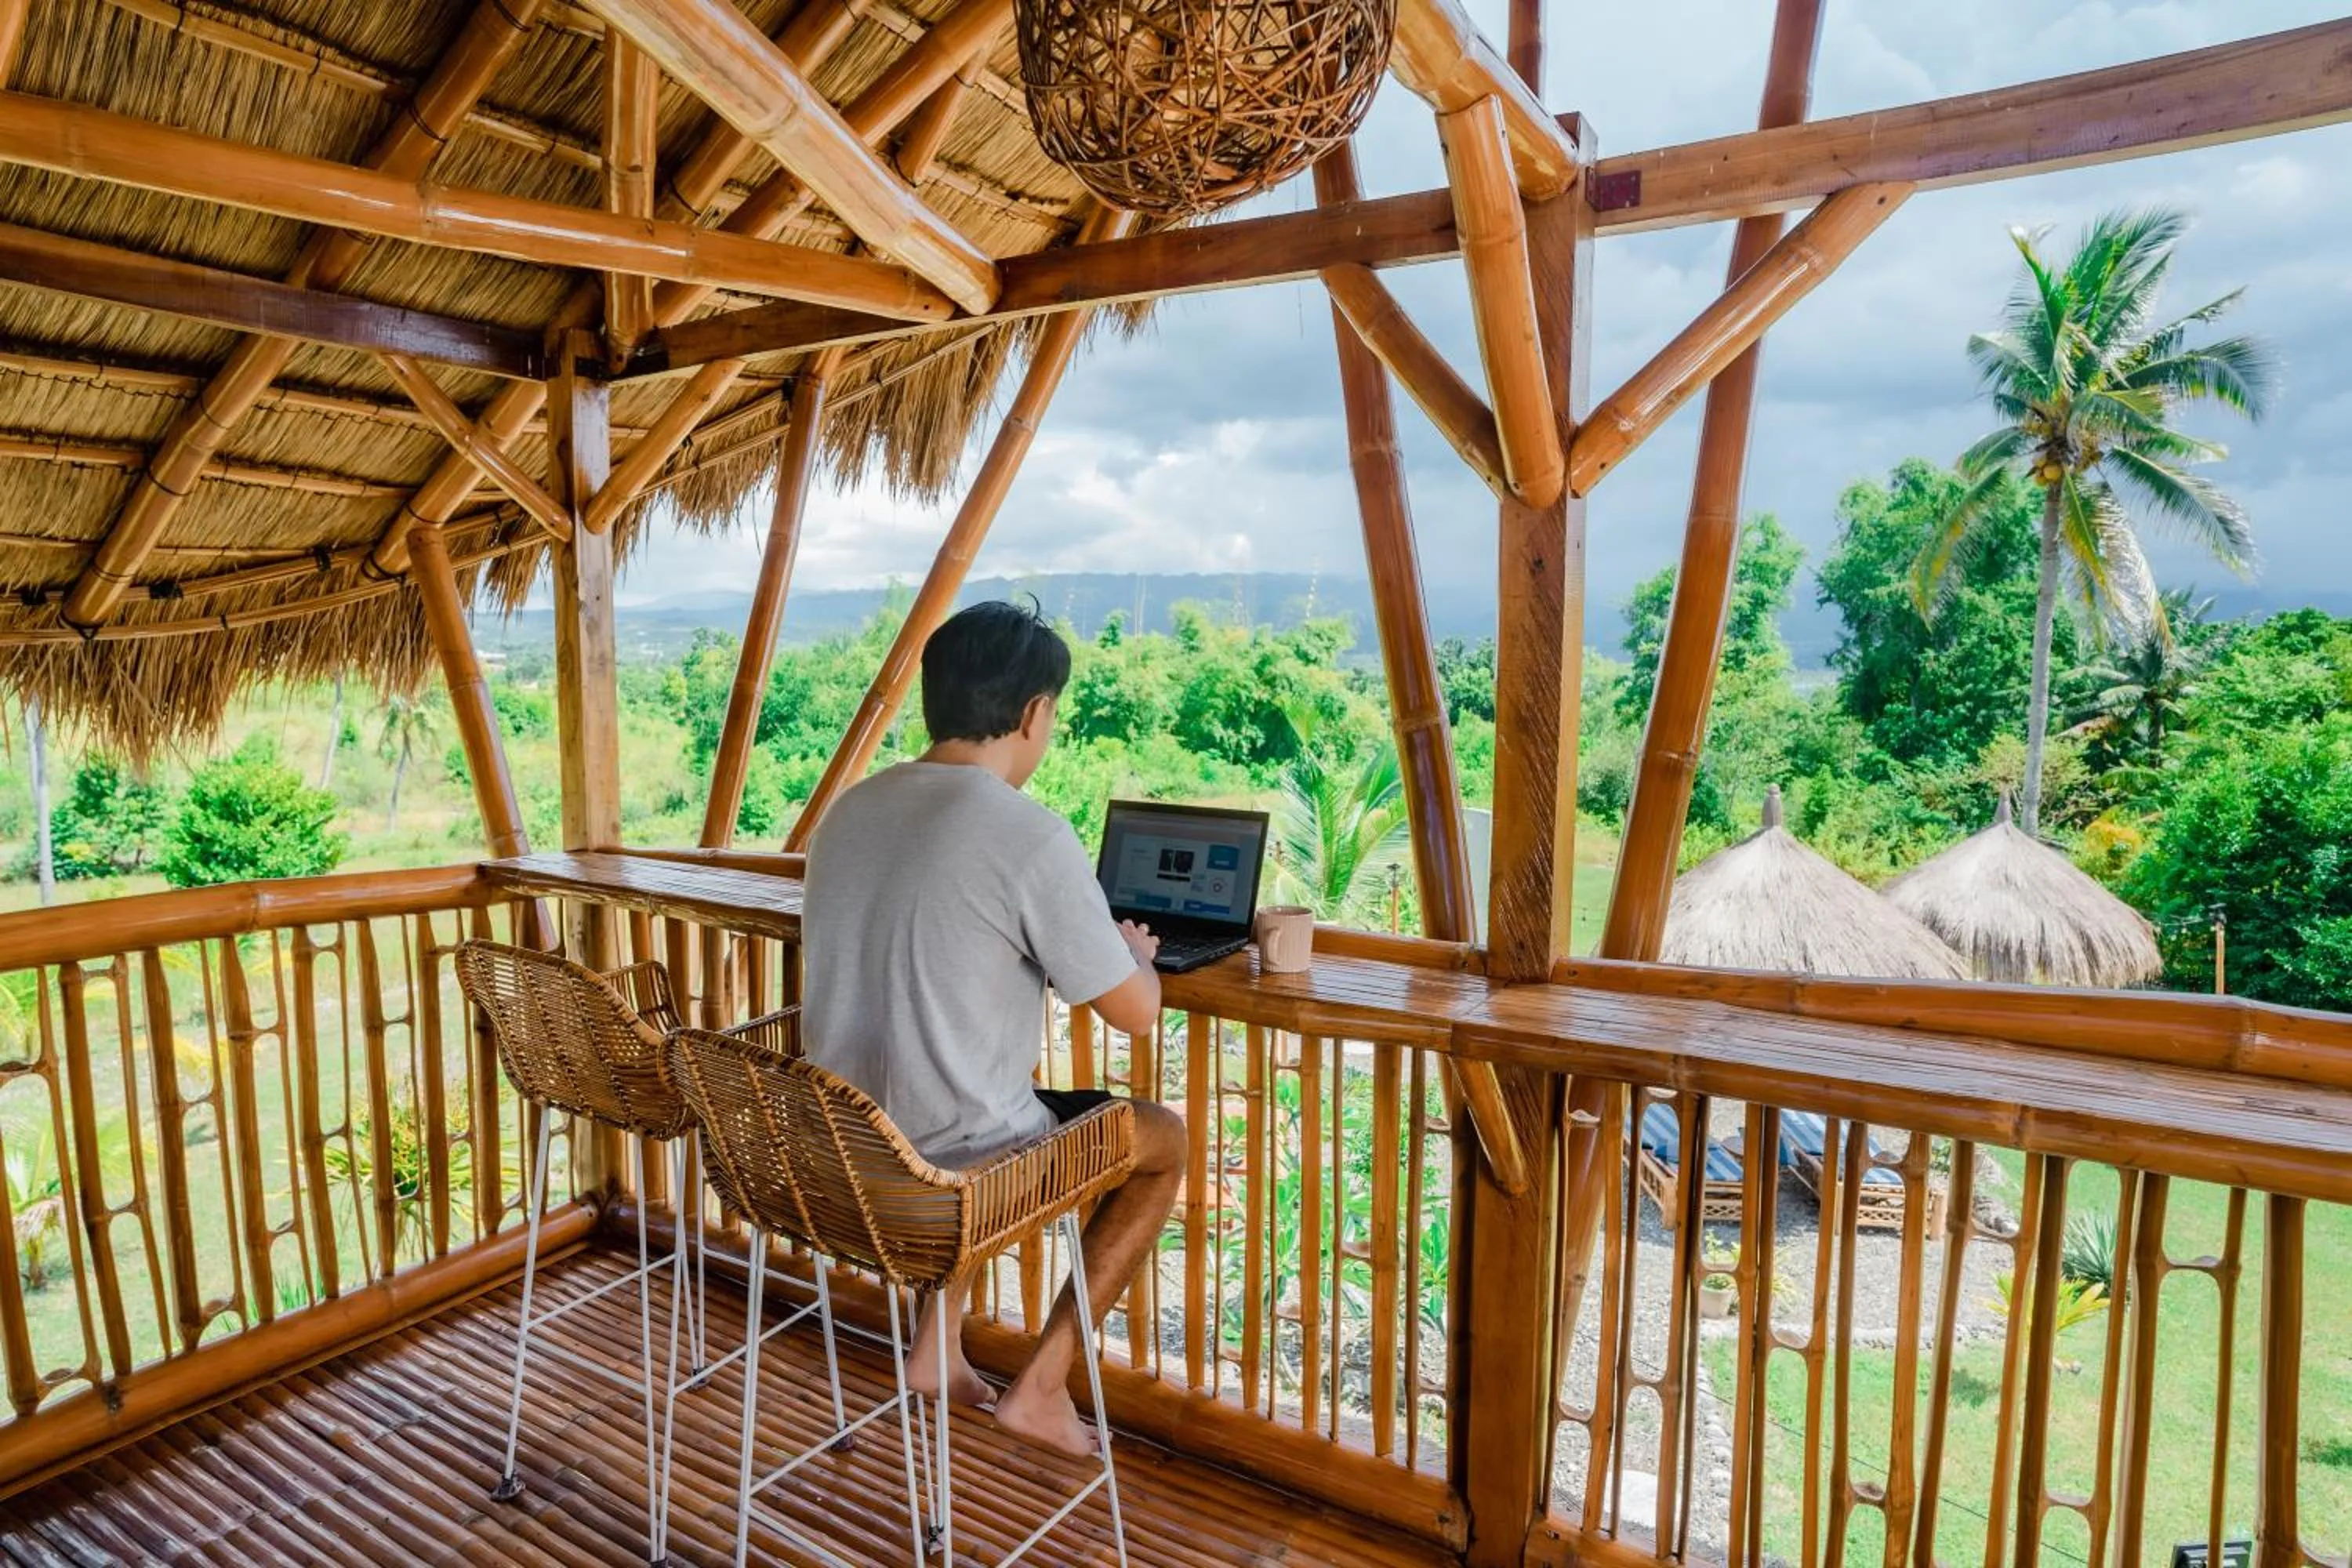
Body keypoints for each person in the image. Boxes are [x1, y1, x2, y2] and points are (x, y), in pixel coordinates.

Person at [799, 599, 1184, 1457]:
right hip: (955, 1178)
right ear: (1034, 712)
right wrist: (1133, 954)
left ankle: (936, 1354)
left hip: (841, 1157)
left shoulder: (848, 813)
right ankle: (1041, 1388)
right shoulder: (1028, 835)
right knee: (1161, 1139)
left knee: (966, 1090)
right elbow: (1134, 1012)